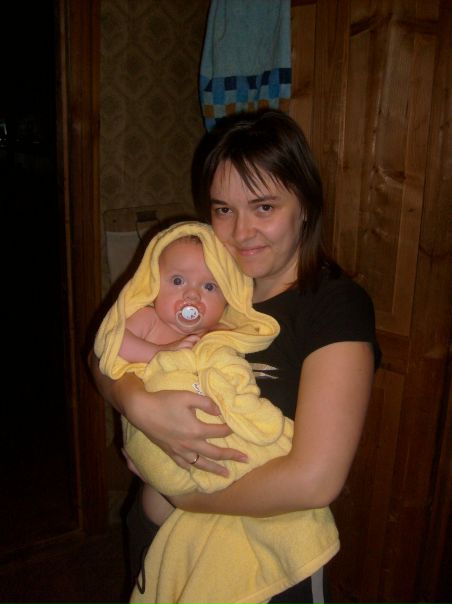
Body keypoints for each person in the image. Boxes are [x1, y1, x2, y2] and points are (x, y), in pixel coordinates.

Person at [90, 108, 380, 604]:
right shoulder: (203, 279)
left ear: (305, 206)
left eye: (264, 207)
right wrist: (137, 404)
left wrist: (183, 495)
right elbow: (105, 349)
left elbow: (315, 480)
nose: (241, 232)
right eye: (224, 209)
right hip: (157, 538)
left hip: (258, 570)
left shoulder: (334, 306)